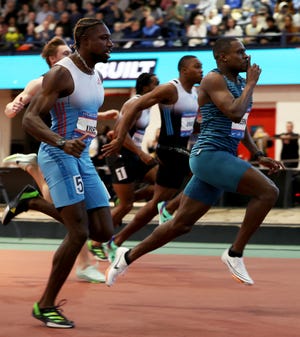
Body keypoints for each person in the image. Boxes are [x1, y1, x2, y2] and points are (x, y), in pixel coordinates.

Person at [103, 37, 284, 287]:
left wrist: (256, 154)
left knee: (180, 225)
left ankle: (127, 256)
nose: (246, 56)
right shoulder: (213, 79)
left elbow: (239, 124)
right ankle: (235, 253)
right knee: (268, 192)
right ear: (223, 58)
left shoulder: (240, 82)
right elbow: (234, 111)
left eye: (245, 51)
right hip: (209, 155)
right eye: (240, 52)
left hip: (221, 157)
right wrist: (252, 84)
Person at [22, 18, 114, 328]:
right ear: (85, 41)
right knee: (79, 233)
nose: (110, 43)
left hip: (82, 157)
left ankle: (33, 201)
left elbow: (86, 116)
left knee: (103, 231)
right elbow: (30, 119)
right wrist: (62, 140)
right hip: (59, 154)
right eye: (104, 38)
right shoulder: (62, 73)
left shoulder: (95, 74)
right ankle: (45, 304)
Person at [2, 36, 108, 284]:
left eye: (69, 50)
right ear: (51, 59)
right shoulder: (44, 80)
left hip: (77, 154)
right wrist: (15, 105)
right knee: (74, 217)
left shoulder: (79, 79)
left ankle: (32, 186)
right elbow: (20, 103)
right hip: (57, 151)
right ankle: (84, 263)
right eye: (62, 53)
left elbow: (80, 110)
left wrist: (104, 114)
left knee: (76, 214)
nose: (68, 55)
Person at [102, 55, 202, 262]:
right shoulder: (169, 89)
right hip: (168, 150)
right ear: (183, 70)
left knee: (155, 200)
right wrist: (120, 137)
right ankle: (167, 208)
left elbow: (188, 125)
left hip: (179, 149)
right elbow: (133, 107)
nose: (201, 70)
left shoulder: (195, 93)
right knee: (205, 175)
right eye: (197, 66)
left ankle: (117, 241)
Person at [88, 72, 159, 260]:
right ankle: (94, 243)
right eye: (155, 84)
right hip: (120, 156)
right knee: (127, 206)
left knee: (162, 182)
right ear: (144, 87)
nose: (159, 87)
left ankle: (125, 197)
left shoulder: (148, 106)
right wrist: (141, 153)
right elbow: (119, 134)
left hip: (133, 155)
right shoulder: (133, 103)